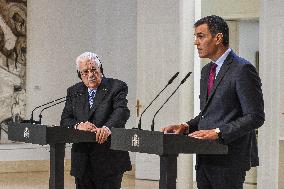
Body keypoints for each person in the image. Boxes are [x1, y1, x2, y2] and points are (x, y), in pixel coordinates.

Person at [161, 15, 264, 189]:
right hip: (205, 156)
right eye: (195, 37)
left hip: (229, 159)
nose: (196, 42)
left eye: (200, 36)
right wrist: (186, 126)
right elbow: (207, 114)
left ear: (218, 38)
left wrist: (218, 132)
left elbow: (255, 116)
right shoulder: (207, 70)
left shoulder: (242, 69)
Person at [60, 52, 131, 189]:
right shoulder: (74, 91)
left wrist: (107, 128)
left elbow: (121, 111)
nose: (90, 75)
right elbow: (65, 119)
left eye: (93, 69)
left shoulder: (116, 86)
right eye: (85, 72)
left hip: (109, 158)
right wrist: (78, 125)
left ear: (100, 69)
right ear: (80, 74)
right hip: (82, 159)